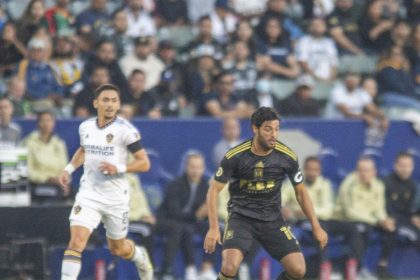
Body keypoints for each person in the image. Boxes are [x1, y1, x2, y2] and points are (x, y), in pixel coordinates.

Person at [204, 107, 328, 280]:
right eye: (268, 129)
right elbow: (213, 191)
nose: (274, 134)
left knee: (299, 270)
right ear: (255, 128)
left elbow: (301, 192)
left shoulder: (287, 156)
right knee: (229, 266)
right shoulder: (235, 156)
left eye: (277, 129)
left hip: (272, 219)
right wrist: (213, 228)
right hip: (241, 219)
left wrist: (316, 226)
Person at [59, 84, 153, 280]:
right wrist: (68, 169)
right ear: (96, 103)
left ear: (118, 105)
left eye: (114, 101)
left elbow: (144, 163)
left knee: (118, 249)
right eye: (105, 100)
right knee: (76, 242)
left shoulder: (126, 131)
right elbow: (84, 150)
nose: (109, 105)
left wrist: (118, 168)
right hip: (89, 195)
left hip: (115, 198)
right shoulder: (85, 126)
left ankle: (140, 255)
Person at [282, 156, 364, 279]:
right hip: (302, 222)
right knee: (320, 229)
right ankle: (324, 267)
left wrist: (307, 212)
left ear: (319, 171)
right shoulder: (293, 183)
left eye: (315, 170)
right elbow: (279, 200)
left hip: (321, 219)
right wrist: (283, 208)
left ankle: (354, 267)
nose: (312, 173)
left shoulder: (325, 185)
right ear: (304, 169)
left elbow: (328, 210)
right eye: (309, 169)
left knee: (353, 229)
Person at [155, 151, 216, 280]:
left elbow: (205, 211)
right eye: (192, 167)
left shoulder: (206, 185)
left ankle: (206, 268)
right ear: (186, 168)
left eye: (198, 167)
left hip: (190, 221)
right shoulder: (175, 184)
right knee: (182, 228)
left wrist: (206, 212)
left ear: (203, 169)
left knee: (212, 228)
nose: (195, 171)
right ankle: (180, 270)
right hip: (167, 220)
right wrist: (197, 215)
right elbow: (174, 213)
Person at [380, 152, 420, 277]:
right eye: (402, 166)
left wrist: (416, 218)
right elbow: (379, 205)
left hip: (405, 220)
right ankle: (381, 267)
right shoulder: (385, 182)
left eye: (408, 166)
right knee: (392, 230)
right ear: (395, 165)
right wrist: (384, 218)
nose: (405, 169)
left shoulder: (413, 185)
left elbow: (412, 210)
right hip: (387, 219)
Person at [23, 111, 68, 202]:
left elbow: (64, 167)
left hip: (58, 183)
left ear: (53, 123)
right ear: (38, 123)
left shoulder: (59, 143)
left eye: (49, 121)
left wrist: (63, 181)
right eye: (43, 121)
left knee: (72, 193)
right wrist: (47, 179)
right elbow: (28, 170)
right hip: (38, 184)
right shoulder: (28, 143)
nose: (46, 124)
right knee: (54, 193)